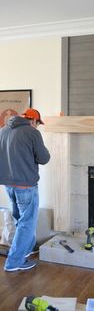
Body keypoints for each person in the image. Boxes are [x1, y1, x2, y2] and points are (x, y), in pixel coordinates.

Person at [0, 108, 50, 272]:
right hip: (26, 186)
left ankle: (26, 249)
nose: (37, 127)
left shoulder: (3, 130)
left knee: (20, 221)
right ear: (34, 121)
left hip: (9, 184)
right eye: (38, 124)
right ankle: (14, 262)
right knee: (27, 224)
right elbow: (44, 158)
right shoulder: (32, 133)